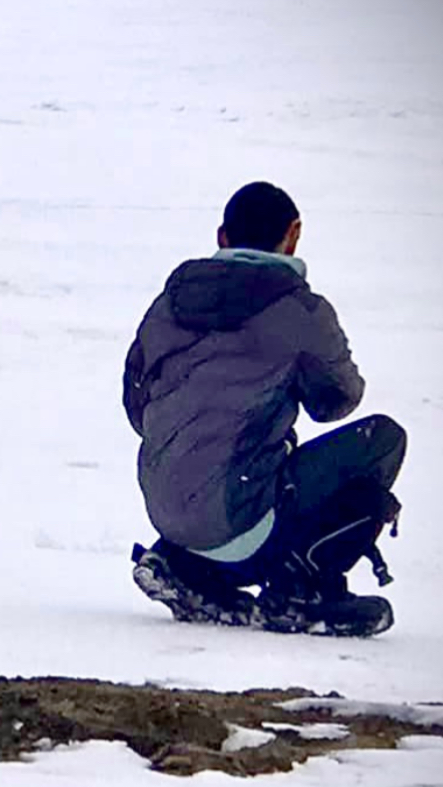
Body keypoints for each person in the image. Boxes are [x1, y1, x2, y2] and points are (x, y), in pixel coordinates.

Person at [122, 181, 405, 637]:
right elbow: (338, 401)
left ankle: (184, 564)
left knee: (226, 464)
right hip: (244, 526)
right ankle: (303, 588)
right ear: (293, 234)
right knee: (383, 441)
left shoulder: (168, 304)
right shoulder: (300, 310)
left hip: (167, 513)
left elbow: (137, 406)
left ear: (222, 237)